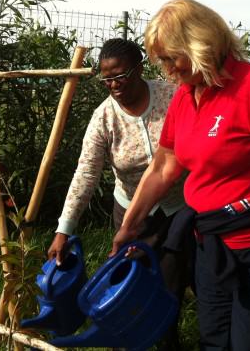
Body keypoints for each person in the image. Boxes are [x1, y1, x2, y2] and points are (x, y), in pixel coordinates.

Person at [111, 0, 250, 351]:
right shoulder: (186, 97)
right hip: (211, 247)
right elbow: (164, 166)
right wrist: (130, 225)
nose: (167, 70)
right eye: (162, 61)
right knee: (213, 341)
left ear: (200, 43)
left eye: (172, 58)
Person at [47, 38, 189, 351]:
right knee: (128, 288)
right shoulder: (104, 119)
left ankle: (168, 340)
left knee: (170, 285)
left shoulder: (171, 95)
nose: (114, 85)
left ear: (139, 69)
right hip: (132, 216)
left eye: (120, 76)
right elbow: (86, 173)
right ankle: (125, 342)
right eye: (106, 79)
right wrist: (63, 229)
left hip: (179, 209)